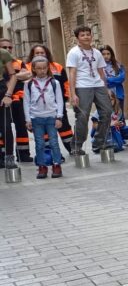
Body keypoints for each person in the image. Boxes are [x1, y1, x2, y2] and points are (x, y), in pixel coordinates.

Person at [66, 25, 113, 156]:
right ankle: (77, 145)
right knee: (82, 116)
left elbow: (101, 72)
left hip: (98, 85)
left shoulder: (97, 53)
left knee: (107, 112)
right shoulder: (73, 53)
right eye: (82, 35)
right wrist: (73, 93)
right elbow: (72, 73)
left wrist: (106, 88)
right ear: (77, 38)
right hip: (82, 86)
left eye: (88, 34)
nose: (86, 37)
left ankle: (99, 141)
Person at [27, 44, 74, 154]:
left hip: (57, 103)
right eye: (37, 53)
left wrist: (66, 97)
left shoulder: (57, 66)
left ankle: (72, 148)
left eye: (42, 52)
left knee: (64, 126)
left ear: (46, 53)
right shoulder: (27, 67)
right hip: (38, 106)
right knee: (45, 130)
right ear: (32, 55)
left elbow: (65, 83)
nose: (40, 54)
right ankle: (51, 153)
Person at [23, 56, 65, 179]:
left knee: (54, 142)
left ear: (48, 68)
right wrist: (28, 119)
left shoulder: (54, 83)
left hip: (51, 116)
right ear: (33, 69)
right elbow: (26, 102)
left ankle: (56, 165)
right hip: (36, 118)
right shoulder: (29, 84)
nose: (42, 71)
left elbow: (60, 100)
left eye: (44, 68)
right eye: (39, 68)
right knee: (39, 143)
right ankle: (42, 166)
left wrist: (59, 117)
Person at [0, 35, 32, 164]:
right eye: (5, 47)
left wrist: (8, 93)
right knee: (3, 127)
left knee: (15, 126)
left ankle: (18, 156)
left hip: (16, 98)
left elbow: (28, 74)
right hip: (6, 95)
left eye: (10, 47)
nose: (8, 49)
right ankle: (2, 157)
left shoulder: (15, 61)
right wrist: (19, 76)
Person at [0, 42, 21, 168]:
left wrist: (8, 95)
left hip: (1, 90)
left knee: (6, 126)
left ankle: (9, 157)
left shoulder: (3, 53)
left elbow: (13, 76)